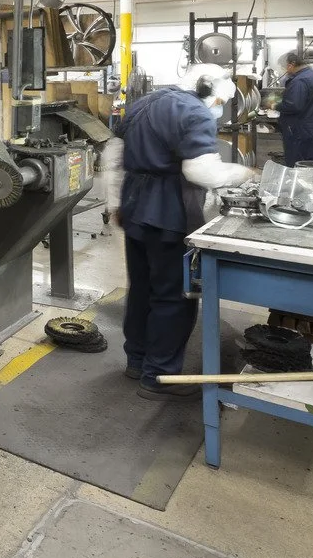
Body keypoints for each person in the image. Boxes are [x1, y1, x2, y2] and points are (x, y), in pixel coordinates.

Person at [102, 66, 255, 401]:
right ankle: (159, 376)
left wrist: (115, 200)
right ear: (205, 89)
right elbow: (200, 171)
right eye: (217, 100)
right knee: (173, 296)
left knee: (141, 288)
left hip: (135, 206)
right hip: (168, 211)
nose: (215, 107)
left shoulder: (145, 102)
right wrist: (244, 173)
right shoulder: (193, 113)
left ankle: (137, 360)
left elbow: (113, 153)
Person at [275, 51, 313, 167]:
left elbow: (293, 105)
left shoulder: (299, 81)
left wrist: (274, 105)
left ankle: (296, 185)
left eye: (284, 67)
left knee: (296, 166)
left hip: (300, 133)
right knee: (308, 165)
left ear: (291, 64)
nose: (285, 70)